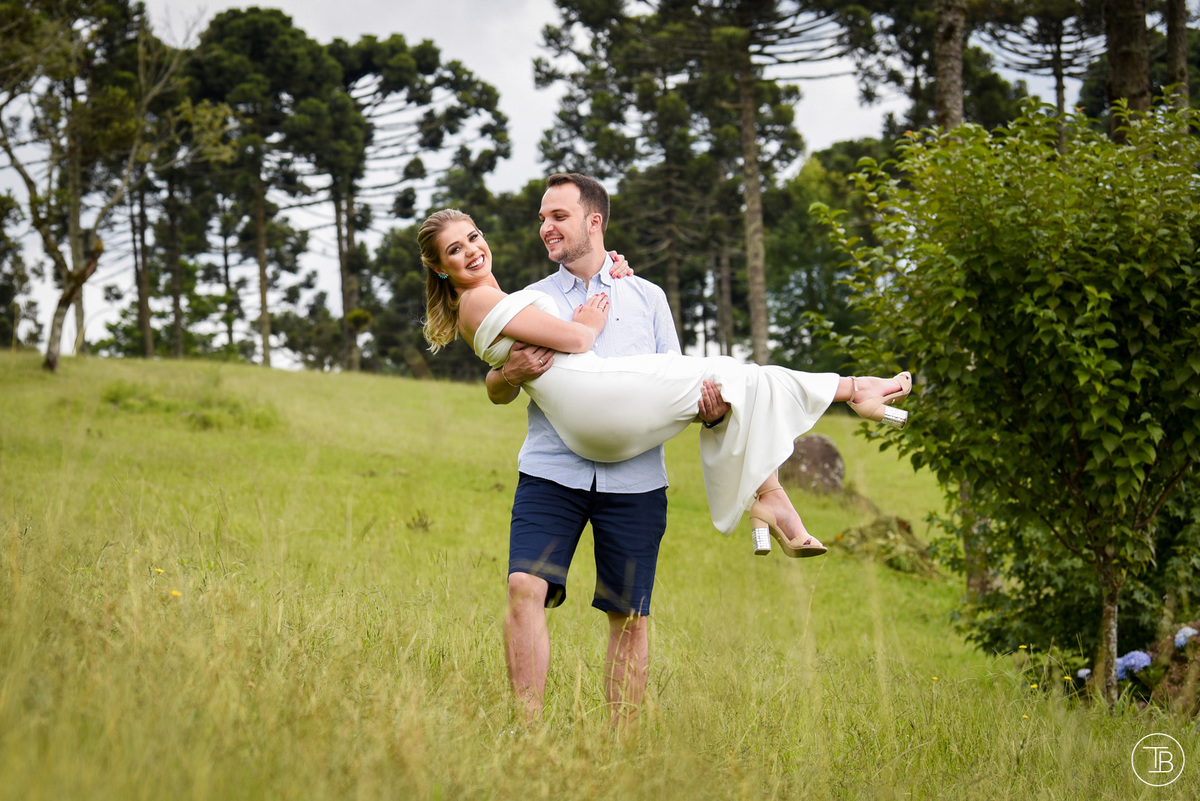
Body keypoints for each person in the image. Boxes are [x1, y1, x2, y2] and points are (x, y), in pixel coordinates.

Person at [419, 176, 911, 725]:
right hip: (554, 468)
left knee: (630, 613)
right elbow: (500, 379)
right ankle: (526, 731)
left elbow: (675, 378)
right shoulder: (530, 295)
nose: (544, 228)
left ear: (594, 221)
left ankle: (621, 746)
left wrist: (712, 410)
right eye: (541, 218)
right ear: (442, 266)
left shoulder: (646, 295)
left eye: (556, 216)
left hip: (634, 476)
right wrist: (507, 372)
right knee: (523, 587)